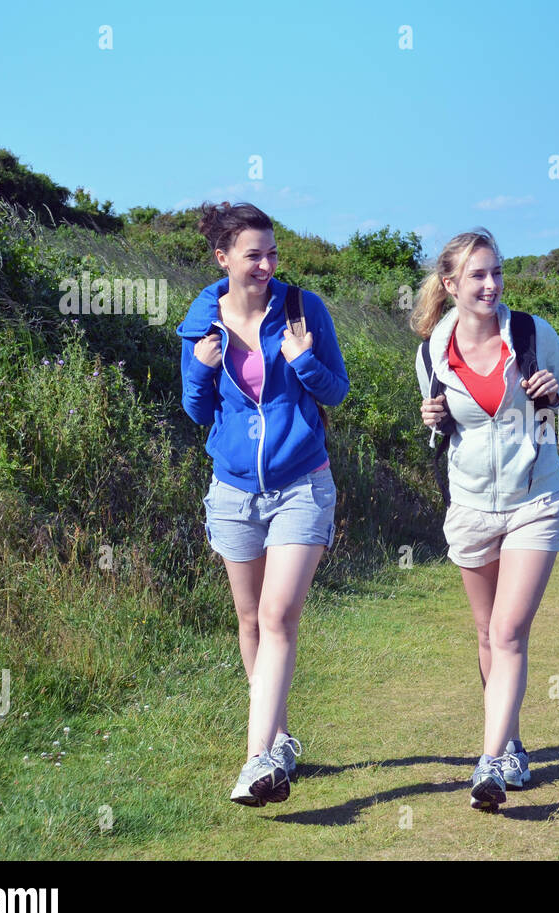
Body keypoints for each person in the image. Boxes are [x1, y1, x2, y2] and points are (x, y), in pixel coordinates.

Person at [176, 201, 350, 806]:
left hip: (303, 483)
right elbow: (196, 412)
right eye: (254, 255)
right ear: (223, 258)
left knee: (278, 616)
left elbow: (339, 389)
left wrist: (302, 361)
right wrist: (201, 371)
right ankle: (275, 741)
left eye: (273, 253)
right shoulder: (203, 323)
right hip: (232, 492)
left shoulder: (304, 310)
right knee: (249, 620)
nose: (268, 264)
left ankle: (255, 762)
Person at [412, 228, 559, 810]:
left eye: (497, 272)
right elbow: (442, 427)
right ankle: (509, 743)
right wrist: (431, 416)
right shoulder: (433, 349)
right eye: (478, 275)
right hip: (469, 506)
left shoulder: (532, 333)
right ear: (451, 284)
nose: (491, 284)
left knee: (509, 631)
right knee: (487, 634)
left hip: (535, 501)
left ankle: (487, 766)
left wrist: (555, 393)